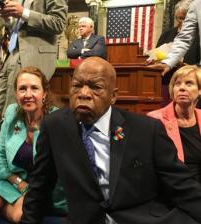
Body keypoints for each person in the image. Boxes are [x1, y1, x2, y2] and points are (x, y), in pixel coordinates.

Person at [21, 57, 201, 224]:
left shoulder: (146, 130)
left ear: (113, 96)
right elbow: (40, 186)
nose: (84, 94)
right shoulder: (55, 126)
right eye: (77, 86)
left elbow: (182, 185)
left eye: (95, 87)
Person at [0, 0, 68, 168]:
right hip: (13, 54)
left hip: (32, 56)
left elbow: (58, 23)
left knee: (13, 112)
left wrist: (23, 12)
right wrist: (9, 18)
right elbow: (19, 29)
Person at [0, 67, 67, 223]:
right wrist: (16, 181)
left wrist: (29, 189)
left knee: (21, 217)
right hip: (9, 178)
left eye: (34, 88)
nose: (28, 94)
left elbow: (56, 170)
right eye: (22, 89)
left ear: (44, 93)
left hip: (37, 187)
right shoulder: (11, 112)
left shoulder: (57, 120)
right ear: (16, 94)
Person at [148, 65, 201, 180]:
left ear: (200, 90)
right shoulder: (155, 119)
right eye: (177, 84)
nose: (182, 88)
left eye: (189, 83)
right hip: (173, 187)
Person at [154, 0, 200, 107]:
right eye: (179, 18)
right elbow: (183, 40)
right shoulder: (167, 34)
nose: (182, 21)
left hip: (192, 79)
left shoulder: (198, 36)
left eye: (185, 18)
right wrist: (167, 62)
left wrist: (185, 66)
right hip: (168, 80)